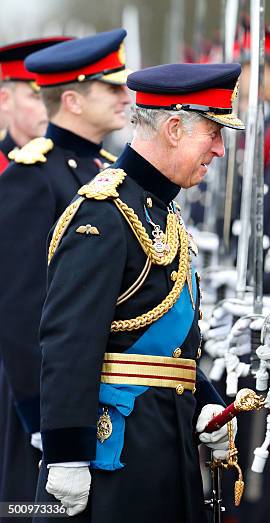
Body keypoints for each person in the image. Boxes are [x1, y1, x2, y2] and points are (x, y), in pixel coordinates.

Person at [35, 62, 244, 522]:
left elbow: (165, 341)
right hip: (116, 454)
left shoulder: (160, 211)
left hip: (163, 443)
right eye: (212, 133)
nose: (220, 149)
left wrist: (205, 401)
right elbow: (69, 341)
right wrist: (67, 454)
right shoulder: (105, 215)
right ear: (173, 127)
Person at [0, 29, 131, 515]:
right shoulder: (32, 177)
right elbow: (19, 312)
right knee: (36, 509)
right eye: (111, 88)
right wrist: (41, 418)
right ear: (72, 100)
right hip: (44, 399)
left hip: (91, 394)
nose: (125, 96)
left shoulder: (103, 170)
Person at [0, 37, 70, 173]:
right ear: (5, 99)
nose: (51, 108)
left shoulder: (76, 163)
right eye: (37, 97)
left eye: (55, 98)